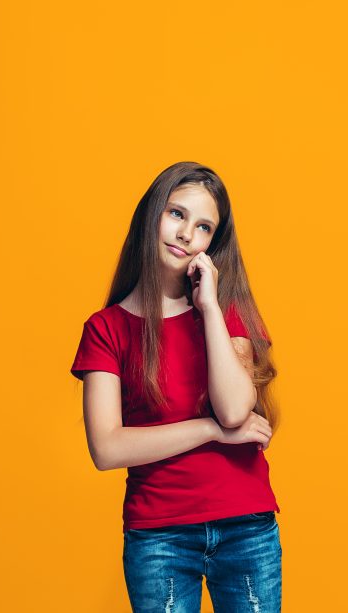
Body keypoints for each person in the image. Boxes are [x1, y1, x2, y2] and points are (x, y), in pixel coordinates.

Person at [70, 161, 282, 612]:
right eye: (177, 214)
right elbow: (106, 448)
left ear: (212, 243)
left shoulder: (226, 310)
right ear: (151, 215)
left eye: (204, 226)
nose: (187, 234)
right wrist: (209, 432)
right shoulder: (106, 329)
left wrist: (207, 307)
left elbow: (234, 410)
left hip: (245, 526)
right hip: (159, 535)